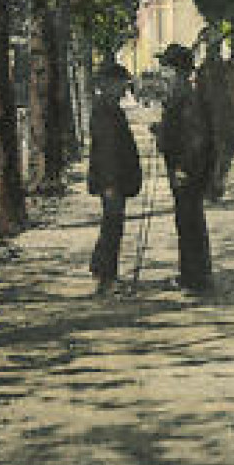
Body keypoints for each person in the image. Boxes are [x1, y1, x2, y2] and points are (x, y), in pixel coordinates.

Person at [154, 43, 216, 295]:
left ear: (178, 71)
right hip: (183, 169)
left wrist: (183, 168)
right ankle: (192, 275)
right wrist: (161, 131)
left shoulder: (187, 97)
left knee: (189, 222)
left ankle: (196, 280)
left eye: (166, 68)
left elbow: (196, 139)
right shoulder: (179, 96)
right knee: (187, 221)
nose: (162, 73)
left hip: (187, 171)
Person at [87, 62, 143, 296]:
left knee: (112, 227)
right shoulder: (105, 110)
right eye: (121, 84)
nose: (124, 90)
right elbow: (108, 151)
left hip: (115, 180)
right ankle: (106, 278)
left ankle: (103, 271)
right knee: (112, 228)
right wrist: (110, 184)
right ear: (109, 84)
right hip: (112, 181)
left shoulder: (108, 107)